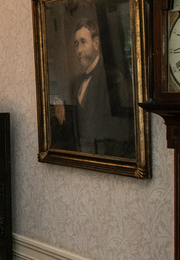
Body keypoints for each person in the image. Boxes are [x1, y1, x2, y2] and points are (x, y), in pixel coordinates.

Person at [52, 18, 134, 157]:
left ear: (96, 43)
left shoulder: (113, 78)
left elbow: (120, 129)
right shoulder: (76, 82)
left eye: (83, 42)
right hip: (81, 154)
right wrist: (59, 106)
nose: (79, 50)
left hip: (106, 157)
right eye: (76, 44)